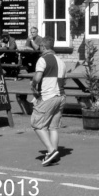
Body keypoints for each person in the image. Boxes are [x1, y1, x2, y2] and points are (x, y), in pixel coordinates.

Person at [29, 36, 65, 166]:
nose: (39, 49)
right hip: (61, 96)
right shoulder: (61, 61)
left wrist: (32, 85)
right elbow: (63, 81)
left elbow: (37, 77)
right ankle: (54, 153)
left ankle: (50, 151)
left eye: (40, 47)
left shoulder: (42, 59)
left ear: (44, 47)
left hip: (48, 96)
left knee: (36, 124)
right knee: (53, 127)